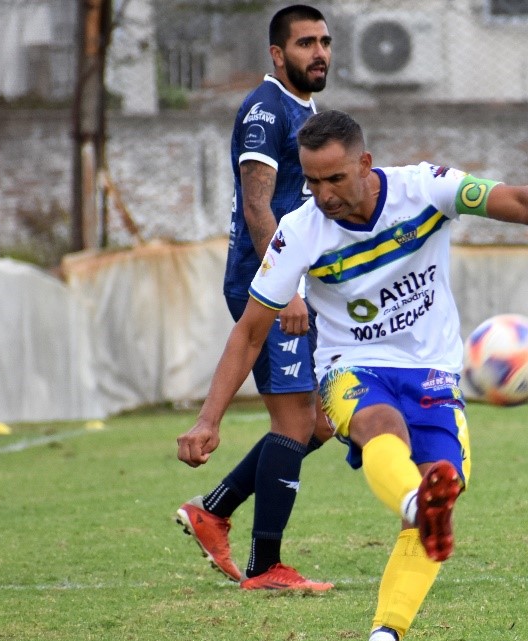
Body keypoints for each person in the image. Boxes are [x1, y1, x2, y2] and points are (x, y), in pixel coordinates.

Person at [177, 110, 528, 641]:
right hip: (351, 370)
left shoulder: (425, 188)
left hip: (434, 375)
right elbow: (248, 330)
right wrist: (207, 419)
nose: (322, 194)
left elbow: (520, 205)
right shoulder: (301, 230)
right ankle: (418, 504)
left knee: (443, 484)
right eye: (312, 182)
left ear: (365, 165)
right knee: (384, 430)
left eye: (334, 179)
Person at [174, 5, 336, 591]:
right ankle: (265, 566)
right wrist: (286, 285)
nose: (318, 53)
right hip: (264, 280)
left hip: (293, 280)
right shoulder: (266, 110)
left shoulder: (304, 110)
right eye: (304, 44)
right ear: (277, 54)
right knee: (295, 419)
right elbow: (257, 207)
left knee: (320, 422)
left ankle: (213, 510)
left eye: (324, 42)